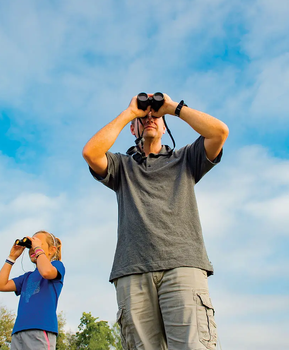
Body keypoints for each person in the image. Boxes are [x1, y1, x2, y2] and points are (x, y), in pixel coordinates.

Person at [82, 93, 229, 350]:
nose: (150, 117)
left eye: (156, 117)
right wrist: (131, 112)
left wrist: (173, 108)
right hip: (132, 271)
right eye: (144, 116)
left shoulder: (186, 159)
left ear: (164, 126)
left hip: (183, 265)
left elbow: (219, 132)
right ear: (133, 128)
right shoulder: (121, 166)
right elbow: (91, 152)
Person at [0, 230, 65, 350]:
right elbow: (0, 285)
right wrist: (12, 257)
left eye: (37, 243)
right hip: (19, 331)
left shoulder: (57, 266)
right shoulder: (27, 277)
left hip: (41, 329)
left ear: (52, 250)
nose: (32, 248)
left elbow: (46, 272)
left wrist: (37, 249)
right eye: (30, 245)